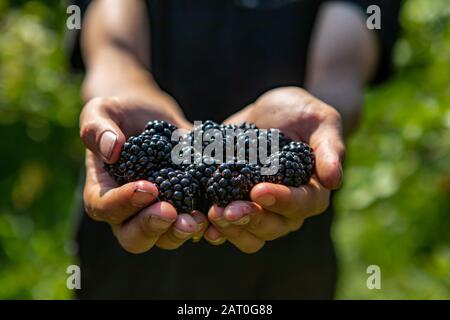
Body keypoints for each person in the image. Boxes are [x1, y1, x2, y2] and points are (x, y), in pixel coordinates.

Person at [69, 0, 400, 299]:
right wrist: (121, 102)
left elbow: (339, 75)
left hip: (283, 247)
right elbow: (114, 50)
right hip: (124, 258)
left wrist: (315, 120)